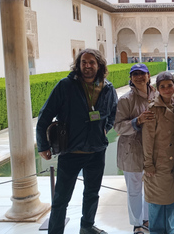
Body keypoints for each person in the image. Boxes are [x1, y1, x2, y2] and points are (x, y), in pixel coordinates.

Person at [36, 48, 118, 234]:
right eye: (84, 62)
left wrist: (106, 128)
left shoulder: (107, 87)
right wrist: (43, 145)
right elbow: (45, 115)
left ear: (99, 65)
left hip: (97, 151)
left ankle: (87, 226)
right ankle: (55, 231)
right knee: (61, 198)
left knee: (92, 193)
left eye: (91, 62)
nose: (87, 66)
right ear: (78, 64)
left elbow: (114, 111)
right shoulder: (66, 86)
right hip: (71, 151)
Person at [114, 63, 156, 234]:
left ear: (148, 76)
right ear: (131, 78)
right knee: (134, 189)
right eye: (135, 74)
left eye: (142, 73)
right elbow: (117, 127)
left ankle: (146, 219)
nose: (139, 77)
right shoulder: (125, 100)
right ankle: (136, 223)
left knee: (150, 187)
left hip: (152, 150)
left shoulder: (156, 95)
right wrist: (136, 121)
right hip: (131, 150)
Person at [142, 72, 174, 234]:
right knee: (157, 206)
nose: (166, 89)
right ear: (157, 89)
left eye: (169, 85)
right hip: (157, 165)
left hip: (172, 165)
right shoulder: (153, 110)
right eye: (162, 87)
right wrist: (148, 164)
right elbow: (147, 139)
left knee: (171, 204)